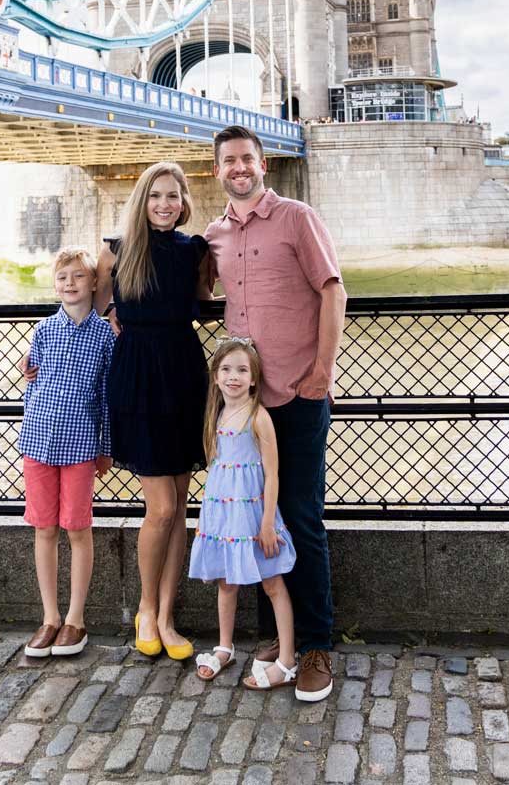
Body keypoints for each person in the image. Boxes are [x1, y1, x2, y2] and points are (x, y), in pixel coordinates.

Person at [205, 124, 346, 703]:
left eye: (247, 159)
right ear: (217, 171)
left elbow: (334, 290)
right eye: (228, 162)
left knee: (300, 517)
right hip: (247, 405)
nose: (239, 168)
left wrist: (322, 372)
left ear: (263, 164)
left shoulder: (297, 217)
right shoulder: (213, 235)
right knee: (254, 520)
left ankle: (315, 648)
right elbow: (166, 288)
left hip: (297, 393)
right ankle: (275, 638)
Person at [96, 160, 213, 660]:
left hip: (184, 375)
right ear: (141, 201)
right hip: (139, 379)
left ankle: (168, 616)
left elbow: (208, 299)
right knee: (161, 507)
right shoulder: (116, 252)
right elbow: (91, 306)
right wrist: (40, 353)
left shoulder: (196, 250)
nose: (165, 204)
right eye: (155, 196)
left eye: (173, 196)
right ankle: (146, 608)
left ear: (185, 202)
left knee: (181, 506)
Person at [17, 247, 113, 660]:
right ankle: (50, 617)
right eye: (62, 278)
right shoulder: (42, 331)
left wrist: (105, 448)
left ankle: (76, 618)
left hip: (79, 445)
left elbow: (106, 397)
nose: (69, 284)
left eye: (78, 276)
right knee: (43, 528)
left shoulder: (105, 335)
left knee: (77, 528)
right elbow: (32, 383)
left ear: (93, 283)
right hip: (38, 441)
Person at [189, 338, 297, 690]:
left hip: (254, 517)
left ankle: (288, 659)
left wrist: (267, 522)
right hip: (225, 517)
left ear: (253, 379)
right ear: (216, 376)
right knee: (226, 582)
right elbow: (219, 473)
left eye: (241, 370)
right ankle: (224, 647)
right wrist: (209, 523)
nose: (233, 376)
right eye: (226, 369)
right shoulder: (216, 414)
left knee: (272, 582)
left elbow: (272, 473)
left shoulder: (258, 416)